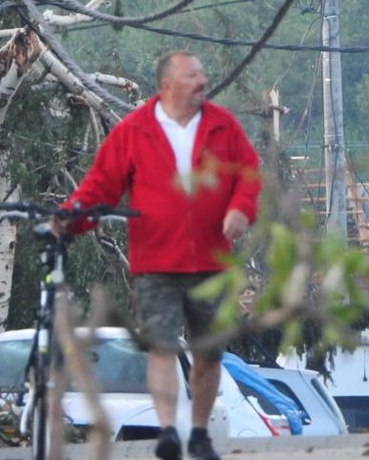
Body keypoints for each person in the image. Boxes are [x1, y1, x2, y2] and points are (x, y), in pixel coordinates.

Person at [61, 50, 261, 460]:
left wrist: (241, 208)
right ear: (168, 85)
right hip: (155, 263)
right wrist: (66, 221)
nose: (202, 81)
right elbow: (100, 186)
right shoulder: (135, 130)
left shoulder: (223, 127)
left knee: (208, 353)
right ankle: (169, 431)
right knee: (162, 347)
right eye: (192, 76)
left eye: (203, 73)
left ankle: (200, 433)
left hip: (212, 263)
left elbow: (248, 172)